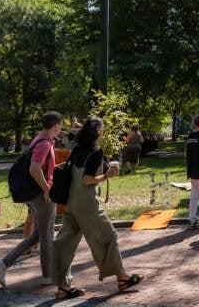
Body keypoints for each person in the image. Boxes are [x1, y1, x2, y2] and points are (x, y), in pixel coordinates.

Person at [50, 117, 144, 299]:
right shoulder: (95, 152)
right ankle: (122, 278)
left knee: (64, 245)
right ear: (99, 132)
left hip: (71, 203)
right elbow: (87, 180)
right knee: (110, 237)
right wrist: (107, 175)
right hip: (88, 204)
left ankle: (62, 287)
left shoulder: (76, 149)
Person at [0, 111, 62, 288]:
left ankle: (4, 263)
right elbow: (34, 168)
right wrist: (47, 190)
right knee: (46, 235)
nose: (61, 128)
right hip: (41, 195)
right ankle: (47, 276)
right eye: (60, 125)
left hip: (34, 194)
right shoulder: (45, 143)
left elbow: (42, 167)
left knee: (40, 234)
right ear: (56, 126)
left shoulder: (40, 140)